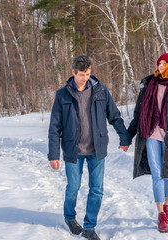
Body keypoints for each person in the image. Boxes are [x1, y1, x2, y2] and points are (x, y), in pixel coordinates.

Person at [48, 55, 131, 240]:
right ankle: (70, 217)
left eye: (88, 74)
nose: (85, 78)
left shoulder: (100, 91)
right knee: (73, 187)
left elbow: (114, 116)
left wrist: (124, 137)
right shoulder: (62, 95)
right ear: (73, 73)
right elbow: (54, 127)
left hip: (97, 149)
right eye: (82, 74)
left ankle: (89, 227)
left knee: (97, 189)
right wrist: (53, 155)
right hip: (73, 150)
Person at [127, 53, 168, 233]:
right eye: (159, 62)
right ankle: (160, 214)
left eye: (164, 63)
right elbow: (139, 113)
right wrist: (127, 136)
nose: (160, 65)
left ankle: (167, 205)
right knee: (157, 175)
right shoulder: (149, 85)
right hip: (151, 134)